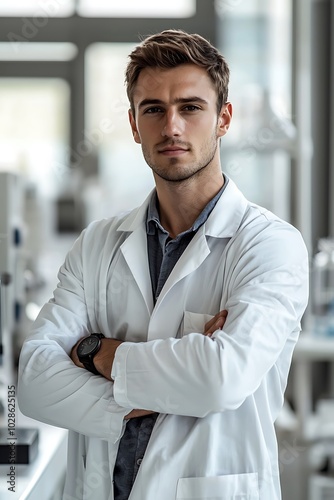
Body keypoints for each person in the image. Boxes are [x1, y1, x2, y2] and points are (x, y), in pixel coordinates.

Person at [18, 29, 309, 500]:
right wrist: (170, 379)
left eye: (190, 107)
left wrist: (96, 352)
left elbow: (220, 378)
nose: (171, 127)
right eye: (153, 109)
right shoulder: (97, 244)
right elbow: (33, 381)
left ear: (223, 119)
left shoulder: (269, 245)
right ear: (134, 125)